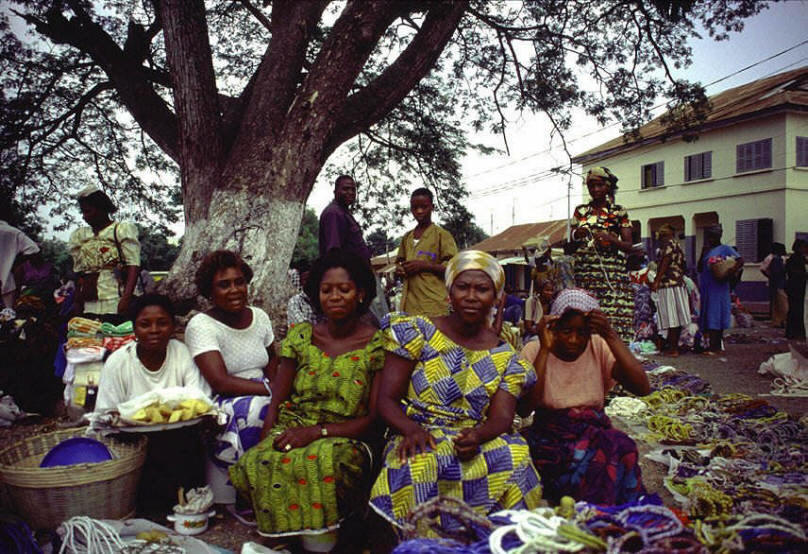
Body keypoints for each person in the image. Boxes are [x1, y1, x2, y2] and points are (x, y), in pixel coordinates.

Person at [369, 250, 542, 536]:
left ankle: (498, 540)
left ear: (497, 297)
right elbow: (386, 399)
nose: (471, 296)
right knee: (417, 465)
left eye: (482, 289)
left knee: (517, 459)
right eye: (463, 287)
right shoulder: (418, 331)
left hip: (472, 437)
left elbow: (502, 416)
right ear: (449, 291)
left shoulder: (507, 357)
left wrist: (477, 436)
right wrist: (411, 429)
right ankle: (418, 541)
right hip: (419, 431)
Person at [230, 251, 383, 551]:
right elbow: (278, 397)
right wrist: (267, 433)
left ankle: (329, 540)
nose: (334, 297)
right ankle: (289, 540)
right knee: (260, 459)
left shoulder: (377, 343)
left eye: (344, 289)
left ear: (361, 294)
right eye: (326, 290)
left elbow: (373, 418)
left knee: (322, 464)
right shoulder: (302, 336)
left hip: (348, 434)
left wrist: (317, 433)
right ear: (317, 294)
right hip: (295, 424)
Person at [519, 288, 650, 505]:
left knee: (621, 447)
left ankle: (604, 511)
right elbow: (524, 408)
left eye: (581, 333)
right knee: (575, 460)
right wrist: (544, 349)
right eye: (566, 331)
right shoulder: (534, 349)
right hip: (549, 436)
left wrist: (610, 335)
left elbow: (642, 387)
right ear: (553, 327)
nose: (573, 340)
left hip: (592, 430)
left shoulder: (597, 346)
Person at [184, 250, 277, 508]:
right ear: (209, 292)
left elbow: (273, 364)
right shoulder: (201, 325)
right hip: (221, 401)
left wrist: (279, 392)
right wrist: (271, 391)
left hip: (264, 390)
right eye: (223, 285)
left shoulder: (260, 317)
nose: (234, 290)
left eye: (239, 282)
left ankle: (278, 487)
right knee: (257, 410)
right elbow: (220, 381)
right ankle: (250, 489)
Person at [95, 293, 210, 412]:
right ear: (134, 328)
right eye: (145, 325)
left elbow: (198, 400)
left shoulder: (183, 354)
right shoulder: (117, 362)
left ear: (173, 326)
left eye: (162, 323)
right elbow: (107, 412)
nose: (154, 330)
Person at [570, 167, 635, 342]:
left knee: (612, 318)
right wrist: (578, 234)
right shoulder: (581, 211)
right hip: (586, 275)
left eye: (599, 185)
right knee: (586, 317)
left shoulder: (618, 212)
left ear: (607, 187)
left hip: (611, 277)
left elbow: (628, 246)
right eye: (591, 186)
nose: (595, 190)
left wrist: (609, 238)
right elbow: (569, 243)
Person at [68, 186, 140, 321]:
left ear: (102, 208)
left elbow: (133, 266)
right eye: (83, 212)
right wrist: (77, 301)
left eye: (88, 211)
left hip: (115, 296)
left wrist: (126, 298)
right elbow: (78, 272)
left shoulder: (120, 230)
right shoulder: (80, 236)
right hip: (89, 299)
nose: (85, 216)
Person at [395, 188, 458, 317]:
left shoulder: (442, 235)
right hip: (409, 306)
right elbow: (399, 263)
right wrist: (399, 269)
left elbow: (453, 269)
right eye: (415, 208)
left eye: (424, 207)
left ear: (432, 207)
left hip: (434, 305)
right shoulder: (407, 238)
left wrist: (425, 266)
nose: (419, 211)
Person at [697, 225, 743, 354]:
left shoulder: (725, 249)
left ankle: (715, 346)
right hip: (707, 287)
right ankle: (712, 344)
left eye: (713, 236)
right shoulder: (707, 250)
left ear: (718, 236)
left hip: (719, 286)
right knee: (708, 314)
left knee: (716, 314)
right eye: (709, 236)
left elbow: (740, 260)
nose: (711, 239)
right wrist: (703, 253)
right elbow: (700, 268)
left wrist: (730, 271)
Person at [650, 225, 691, 357]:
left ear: (663, 236)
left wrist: (657, 280)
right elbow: (684, 266)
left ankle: (673, 349)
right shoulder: (677, 245)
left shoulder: (668, 244)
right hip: (678, 283)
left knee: (672, 317)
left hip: (669, 285)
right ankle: (674, 347)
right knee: (677, 317)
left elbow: (665, 261)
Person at [318, 175, 372, 262]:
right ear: (335, 192)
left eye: (353, 190)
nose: (350, 192)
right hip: (347, 273)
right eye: (345, 189)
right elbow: (334, 252)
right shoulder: (334, 213)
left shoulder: (344, 213)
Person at [0, 217, 40, 309]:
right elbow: (34, 249)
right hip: (7, 283)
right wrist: (13, 263)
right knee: (7, 317)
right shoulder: (13, 232)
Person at [760, 242, 788, 328]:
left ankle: (777, 320)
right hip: (777, 284)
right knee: (781, 303)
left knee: (776, 303)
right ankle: (780, 320)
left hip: (777, 283)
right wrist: (770, 277)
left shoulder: (779, 258)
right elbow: (765, 270)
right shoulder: (774, 259)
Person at [785, 239, 807, 340]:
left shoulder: (799, 258)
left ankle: (794, 331)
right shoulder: (795, 259)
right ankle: (794, 332)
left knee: (796, 310)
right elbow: (795, 272)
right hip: (795, 287)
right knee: (796, 310)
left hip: (796, 287)